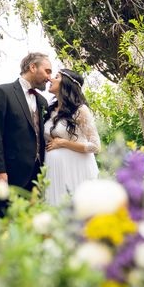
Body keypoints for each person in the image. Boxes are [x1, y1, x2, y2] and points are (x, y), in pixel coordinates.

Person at [0, 52, 52, 217]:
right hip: (9, 175)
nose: (49, 77)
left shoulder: (42, 101)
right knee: (7, 225)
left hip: (37, 177)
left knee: (31, 227)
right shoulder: (2, 92)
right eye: (47, 71)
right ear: (33, 67)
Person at [43, 69, 100, 206]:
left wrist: (63, 143)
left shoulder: (80, 110)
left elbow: (95, 146)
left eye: (56, 77)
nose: (50, 79)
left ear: (66, 83)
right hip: (54, 171)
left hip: (76, 169)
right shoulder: (49, 109)